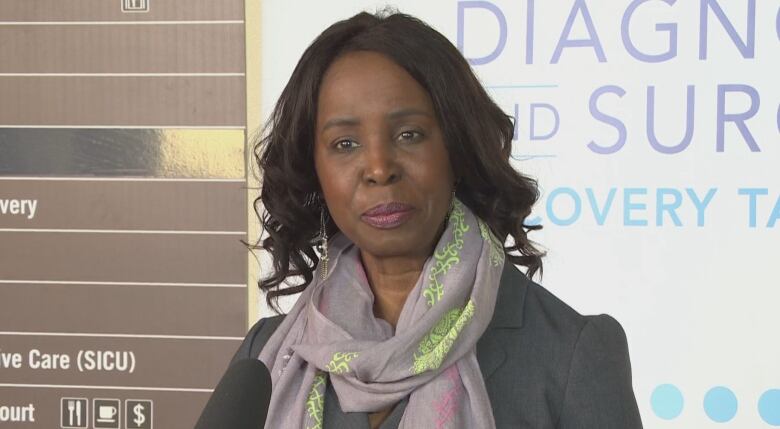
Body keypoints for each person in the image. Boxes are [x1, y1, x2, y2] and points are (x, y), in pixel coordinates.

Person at [233, 9, 643, 429]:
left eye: (409, 134)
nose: (378, 167)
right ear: (313, 169)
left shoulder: (572, 355)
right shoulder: (266, 358)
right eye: (345, 143)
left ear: (458, 148)